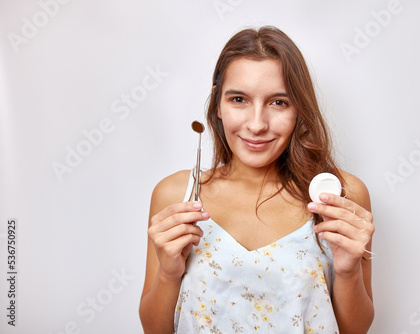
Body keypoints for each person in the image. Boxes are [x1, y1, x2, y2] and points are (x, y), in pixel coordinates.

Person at [139, 26, 374, 334]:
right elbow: (154, 331)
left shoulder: (341, 195)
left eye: (279, 102)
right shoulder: (177, 194)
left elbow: (354, 330)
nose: (257, 124)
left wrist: (348, 271)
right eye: (239, 99)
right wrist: (169, 274)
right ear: (217, 104)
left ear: (299, 109)